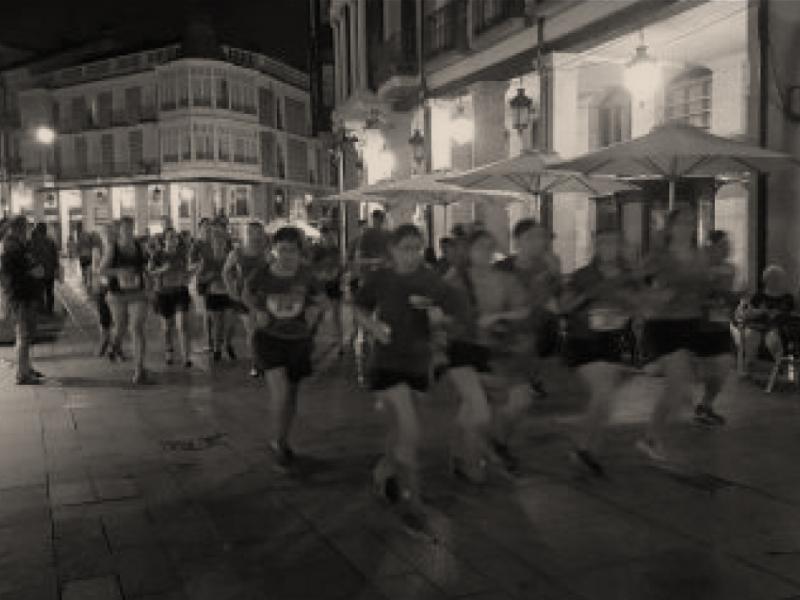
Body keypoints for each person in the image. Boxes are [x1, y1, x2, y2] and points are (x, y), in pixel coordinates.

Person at [353, 224, 462, 532]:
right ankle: (412, 501)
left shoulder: (429, 278)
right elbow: (359, 308)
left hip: (419, 363)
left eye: (416, 248)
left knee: (399, 430)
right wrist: (373, 328)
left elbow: (452, 310)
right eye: (405, 248)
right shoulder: (381, 278)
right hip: (387, 364)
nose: (411, 255)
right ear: (392, 250)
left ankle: (382, 472)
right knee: (411, 431)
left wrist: (439, 318)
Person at [637, 208, 727, 461]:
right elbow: (637, 283)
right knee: (676, 387)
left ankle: (653, 435)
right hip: (664, 325)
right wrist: (655, 295)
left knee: (704, 374)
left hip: (692, 323)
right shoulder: (659, 256)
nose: (687, 227)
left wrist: (716, 282)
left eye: (691, 223)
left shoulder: (700, 256)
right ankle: (650, 439)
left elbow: (705, 288)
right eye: (681, 223)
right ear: (671, 227)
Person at [443, 229, 530, 481]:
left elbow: (523, 310)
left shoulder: (504, 279)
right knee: (479, 410)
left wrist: (499, 317)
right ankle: (471, 463)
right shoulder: (456, 279)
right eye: (481, 246)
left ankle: (460, 457)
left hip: (491, 350)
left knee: (473, 410)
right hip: (460, 349)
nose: (487, 251)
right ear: (469, 250)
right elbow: (439, 314)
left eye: (491, 246)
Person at [243, 226, 327, 470]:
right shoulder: (262, 273)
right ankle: (278, 443)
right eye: (282, 250)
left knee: (291, 395)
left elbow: (323, 301)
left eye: (292, 250)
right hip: (269, 339)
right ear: (274, 250)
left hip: (298, 341)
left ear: (300, 252)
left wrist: (315, 312)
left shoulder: (307, 275)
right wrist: (257, 311)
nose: (287, 256)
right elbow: (245, 293)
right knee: (280, 392)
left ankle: (282, 438)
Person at [561, 227, 640, 476]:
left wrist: (627, 310)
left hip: (612, 340)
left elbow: (640, 306)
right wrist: (588, 295)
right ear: (595, 246)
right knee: (602, 392)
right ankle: (582, 447)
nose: (608, 248)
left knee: (605, 401)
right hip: (583, 340)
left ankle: (588, 450)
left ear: (620, 247)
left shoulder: (628, 275)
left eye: (613, 243)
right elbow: (564, 306)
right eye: (603, 243)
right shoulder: (582, 275)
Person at [496, 218, 562, 396]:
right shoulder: (502, 268)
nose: (539, 242)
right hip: (508, 328)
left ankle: (532, 378)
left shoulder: (547, 268)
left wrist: (555, 275)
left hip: (540, 330)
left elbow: (556, 302)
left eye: (541, 237)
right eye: (531, 237)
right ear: (517, 242)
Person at [694, 230, 738, 426]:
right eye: (723, 245)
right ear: (711, 247)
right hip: (698, 325)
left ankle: (705, 405)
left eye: (728, 245)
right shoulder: (699, 268)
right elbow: (694, 296)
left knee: (725, 364)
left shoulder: (730, 269)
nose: (727, 248)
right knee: (699, 369)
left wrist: (733, 299)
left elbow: (728, 298)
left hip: (719, 325)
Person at [99, 216, 149, 384]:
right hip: (118, 294)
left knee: (137, 327)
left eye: (130, 228)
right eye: (125, 229)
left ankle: (139, 369)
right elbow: (101, 270)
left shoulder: (139, 247)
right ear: (119, 231)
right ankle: (115, 344)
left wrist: (150, 286)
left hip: (138, 293)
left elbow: (146, 268)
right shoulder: (113, 248)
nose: (128, 232)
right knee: (120, 327)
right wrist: (119, 272)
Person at [0, 217, 45, 384]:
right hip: (20, 296)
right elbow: (11, 275)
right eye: (26, 228)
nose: (27, 231)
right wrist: (33, 273)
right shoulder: (10, 248)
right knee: (24, 334)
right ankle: (22, 373)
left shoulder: (19, 245)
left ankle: (26, 367)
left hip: (25, 295)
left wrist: (36, 270)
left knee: (27, 334)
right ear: (19, 229)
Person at [224, 221, 271, 376]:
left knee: (263, 330)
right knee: (251, 330)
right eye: (251, 232)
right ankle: (256, 363)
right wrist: (231, 289)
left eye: (258, 232)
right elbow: (225, 272)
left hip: (263, 297)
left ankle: (262, 359)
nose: (255, 235)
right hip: (244, 296)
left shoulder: (267, 253)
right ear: (246, 233)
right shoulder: (237, 253)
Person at [733, 264, 795, 372]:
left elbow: (789, 314)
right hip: (758, 326)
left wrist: (777, 314)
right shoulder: (759, 296)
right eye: (771, 278)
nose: (774, 281)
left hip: (777, 328)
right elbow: (748, 313)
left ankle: (780, 369)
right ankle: (747, 368)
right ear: (766, 280)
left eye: (777, 279)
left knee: (773, 340)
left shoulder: (788, 297)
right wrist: (760, 312)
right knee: (751, 337)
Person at [149, 228, 193, 367]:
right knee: (168, 327)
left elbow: (186, 274)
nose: (173, 240)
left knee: (183, 325)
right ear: (164, 240)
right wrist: (162, 270)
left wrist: (192, 273)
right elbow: (149, 273)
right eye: (170, 237)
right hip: (164, 294)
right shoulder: (157, 255)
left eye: (175, 237)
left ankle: (186, 357)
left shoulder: (182, 255)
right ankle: (169, 350)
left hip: (181, 292)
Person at [197, 227, 234, 363]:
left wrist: (231, 278)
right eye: (216, 242)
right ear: (212, 244)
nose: (219, 245)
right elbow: (200, 279)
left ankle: (228, 343)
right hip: (213, 295)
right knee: (218, 324)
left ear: (225, 243)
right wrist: (209, 277)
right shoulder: (206, 260)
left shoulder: (231, 258)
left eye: (221, 242)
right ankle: (217, 350)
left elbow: (237, 275)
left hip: (229, 294)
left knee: (230, 324)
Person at [311, 226, 345, 354]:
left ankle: (339, 343)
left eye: (330, 236)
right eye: (326, 236)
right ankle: (310, 340)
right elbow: (311, 267)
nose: (329, 239)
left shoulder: (335, 250)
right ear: (322, 237)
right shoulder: (317, 250)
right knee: (318, 316)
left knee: (336, 316)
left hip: (334, 286)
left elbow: (340, 267)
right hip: (321, 287)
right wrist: (321, 274)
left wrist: (336, 273)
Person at [91, 223, 115, 357]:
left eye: (110, 233)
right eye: (105, 233)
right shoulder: (97, 250)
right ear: (101, 235)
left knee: (116, 318)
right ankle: (105, 341)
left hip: (115, 286)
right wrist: (102, 270)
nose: (108, 236)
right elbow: (95, 269)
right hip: (102, 287)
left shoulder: (117, 248)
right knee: (104, 317)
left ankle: (113, 346)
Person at [29, 223, 59, 315]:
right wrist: (56, 267)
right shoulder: (51, 241)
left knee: (39, 291)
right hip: (49, 271)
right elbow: (55, 256)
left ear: (38, 230)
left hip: (38, 271)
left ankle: (41, 309)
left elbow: (31, 256)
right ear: (45, 230)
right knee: (50, 291)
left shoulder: (33, 242)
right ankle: (49, 309)